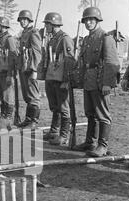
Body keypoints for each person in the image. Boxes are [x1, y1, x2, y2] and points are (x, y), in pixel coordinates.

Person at [73, 7, 120, 157]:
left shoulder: (105, 37)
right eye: (86, 20)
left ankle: (102, 146)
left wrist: (107, 83)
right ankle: (90, 142)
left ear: (97, 20)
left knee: (103, 114)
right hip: (88, 79)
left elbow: (112, 62)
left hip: (100, 80)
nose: (88, 23)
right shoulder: (87, 39)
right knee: (90, 113)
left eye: (91, 20)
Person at [43, 12, 75, 145]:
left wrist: (67, 80)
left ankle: (64, 135)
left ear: (53, 24)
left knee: (63, 107)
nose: (46, 26)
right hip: (52, 77)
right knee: (54, 105)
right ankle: (54, 131)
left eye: (47, 24)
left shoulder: (64, 38)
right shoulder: (52, 38)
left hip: (61, 78)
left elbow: (70, 61)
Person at [17, 10, 42, 129]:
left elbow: (37, 52)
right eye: (21, 20)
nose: (22, 21)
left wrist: (35, 70)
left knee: (33, 95)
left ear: (29, 20)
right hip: (24, 68)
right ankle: (28, 119)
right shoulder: (24, 33)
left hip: (31, 68)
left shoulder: (33, 32)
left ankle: (34, 121)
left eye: (24, 19)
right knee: (27, 95)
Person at [0, 16, 18, 124]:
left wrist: (10, 74)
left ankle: (8, 117)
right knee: (1, 94)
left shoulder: (9, 39)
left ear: (3, 26)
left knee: (8, 94)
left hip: (7, 72)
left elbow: (13, 57)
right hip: (0, 71)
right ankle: (3, 115)